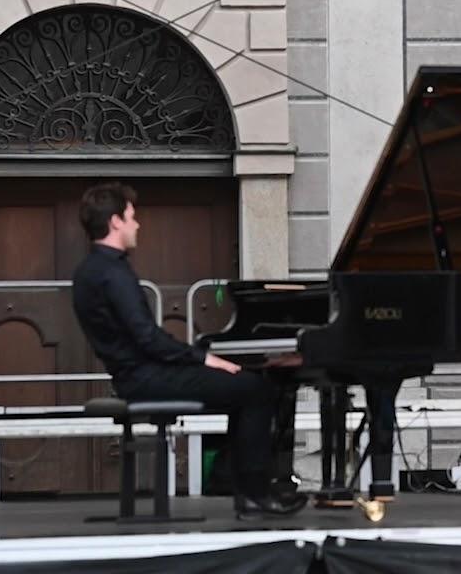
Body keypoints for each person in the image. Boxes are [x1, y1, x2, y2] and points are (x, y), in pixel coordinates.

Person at [71, 181, 305, 519]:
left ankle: (241, 486)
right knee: (255, 390)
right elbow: (148, 339)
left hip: (131, 376)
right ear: (116, 221)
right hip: (147, 378)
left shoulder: (87, 272)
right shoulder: (113, 273)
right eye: (132, 217)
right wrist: (203, 358)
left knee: (242, 389)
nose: (137, 224)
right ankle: (252, 493)